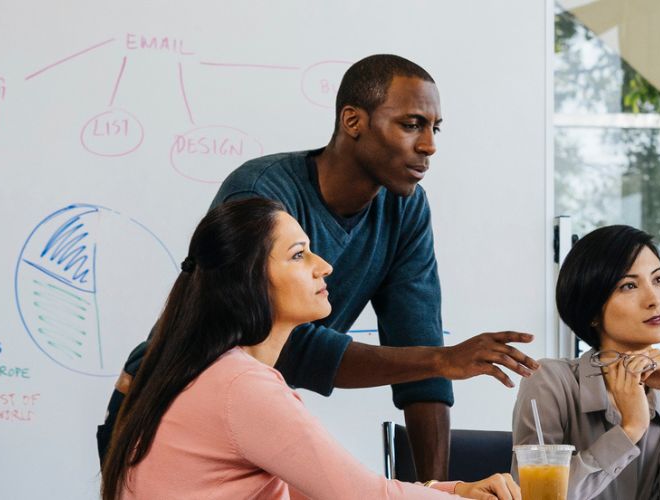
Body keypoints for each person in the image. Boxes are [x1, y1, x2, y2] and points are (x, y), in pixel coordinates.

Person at [98, 54, 542, 481]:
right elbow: (272, 337)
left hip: (249, 411)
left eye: (434, 127)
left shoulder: (405, 208)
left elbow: (419, 346)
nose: (429, 145)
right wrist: (442, 360)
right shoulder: (261, 194)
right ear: (353, 121)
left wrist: (438, 488)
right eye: (411, 125)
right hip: (167, 404)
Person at [100, 198, 522, 499]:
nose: (325, 266)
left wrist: (454, 491)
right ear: (250, 281)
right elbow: (363, 497)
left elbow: (324, 490)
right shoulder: (241, 387)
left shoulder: (207, 372)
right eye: (299, 255)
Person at [513, 225, 660, 500]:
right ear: (592, 311)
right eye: (629, 285)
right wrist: (629, 431)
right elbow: (533, 497)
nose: (654, 299)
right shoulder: (549, 382)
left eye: (658, 279)